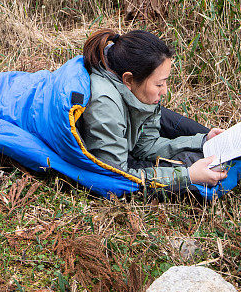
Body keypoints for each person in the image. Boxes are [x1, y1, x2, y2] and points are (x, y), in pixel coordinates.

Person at [78, 28, 229, 191]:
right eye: (159, 84)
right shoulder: (104, 104)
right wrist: (188, 176)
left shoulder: (138, 90)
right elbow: (116, 176)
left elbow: (146, 145)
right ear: (128, 79)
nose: (164, 91)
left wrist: (202, 140)